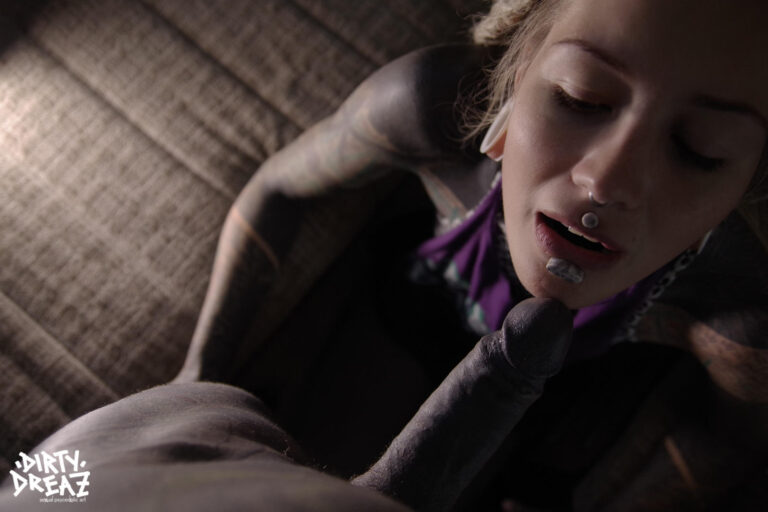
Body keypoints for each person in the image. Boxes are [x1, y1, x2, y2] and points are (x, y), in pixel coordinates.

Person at [3, 0, 767, 510]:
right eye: (581, 97)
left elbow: (724, 444)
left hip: (565, 408)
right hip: (403, 313)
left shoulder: (735, 302)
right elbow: (278, 190)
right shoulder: (428, 108)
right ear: (513, 81)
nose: (608, 181)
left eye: (701, 149)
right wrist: (196, 376)